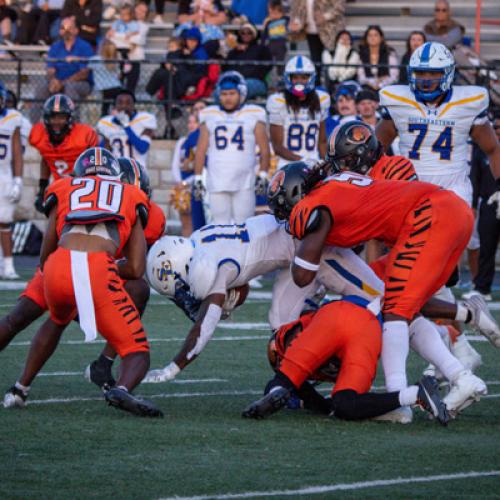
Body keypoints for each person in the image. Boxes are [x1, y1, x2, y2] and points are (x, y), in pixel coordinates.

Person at [266, 161, 490, 417]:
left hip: (427, 215)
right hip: (450, 209)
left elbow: (303, 275)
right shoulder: (338, 182)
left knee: (396, 309)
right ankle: (459, 374)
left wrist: (303, 240)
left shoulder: (310, 206)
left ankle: (401, 401)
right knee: (402, 306)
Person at [3, 147, 162, 417]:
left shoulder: (65, 186)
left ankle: (20, 389)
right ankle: (121, 388)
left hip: (55, 267)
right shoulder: (133, 196)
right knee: (138, 352)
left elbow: (45, 254)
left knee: (45, 319)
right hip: (98, 269)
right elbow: (135, 267)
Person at [376, 42, 500, 269]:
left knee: (444, 249)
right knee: (405, 253)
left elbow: (492, 148)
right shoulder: (399, 101)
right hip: (409, 185)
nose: (425, 79)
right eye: (420, 73)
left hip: (453, 186)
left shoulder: (467, 102)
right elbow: (376, 149)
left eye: (433, 73)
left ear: (448, 73)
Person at [242, 298, 449, 424]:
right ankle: (416, 393)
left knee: (285, 382)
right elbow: (323, 404)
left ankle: (413, 394)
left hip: (331, 321)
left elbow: (295, 384)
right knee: (344, 403)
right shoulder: (296, 331)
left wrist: (289, 389)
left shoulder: (287, 342)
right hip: (364, 326)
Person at [193, 71, 270, 224]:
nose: (227, 97)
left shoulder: (254, 113)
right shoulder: (210, 114)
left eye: (232, 93)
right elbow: (201, 150)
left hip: (245, 182)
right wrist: (198, 177)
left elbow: (264, 148)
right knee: (219, 226)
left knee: (244, 226)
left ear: (241, 93)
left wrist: (263, 173)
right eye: (224, 93)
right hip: (217, 180)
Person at [29, 94, 98, 212]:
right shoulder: (39, 135)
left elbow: (95, 163)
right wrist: (42, 190)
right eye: (53, 117)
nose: (57, 122)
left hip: (85, 189)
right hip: (60, 189)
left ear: (69, 118)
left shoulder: (84, 135)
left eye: (61, 117)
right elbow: (46, 159)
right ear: (46, 118)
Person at [267, 55, 330, 169]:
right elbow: (277, 147)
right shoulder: (278, 101)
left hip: (314, 165)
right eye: (295, 77)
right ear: (288, 78)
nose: (299, 82)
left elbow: (322, 142)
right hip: (287, 166)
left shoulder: (322, 100)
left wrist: (327, 164)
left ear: (311, 78)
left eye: (304, 77)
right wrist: (303, 161)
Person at [30, 17, 94, 123]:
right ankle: (34, 127)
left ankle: (73, 125)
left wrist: (63, 83)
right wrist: (53, 80)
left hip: (81, 83)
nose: (66, 30)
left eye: (70, 28)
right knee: (41, 88)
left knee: (70, 88)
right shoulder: (55, 47)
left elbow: (84, 73)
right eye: (63, 28)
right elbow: (50, 69)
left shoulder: (85, 46)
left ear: (76, 30)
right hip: (57, 81)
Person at [465, 110, 500, 301]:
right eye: (495, 127)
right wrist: (473, 204)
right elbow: (475, 177)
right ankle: (482, 287)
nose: (498, 131)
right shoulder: (482, 149)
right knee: (486, 247)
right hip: (489, 201)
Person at [289, 0, 346, 84]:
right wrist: (297, 22)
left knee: (333, 62)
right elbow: (296, 11)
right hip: (311, 32)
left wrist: (325, 16)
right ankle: (317, 88)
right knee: (316, 63)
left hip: (330, 32)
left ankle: (334, 87)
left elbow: (340, 6)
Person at [97, 89, 156, 168]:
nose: (124, 106)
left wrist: (126, 126)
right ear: (115, 106)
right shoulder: (107, 123)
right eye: (120, 103)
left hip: (138, 172)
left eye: (128, 103)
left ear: (133, 105)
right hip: (116, 173)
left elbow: (142, 148)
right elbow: (101, 152)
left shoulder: (144, 120)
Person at [0, 88, 22, 279]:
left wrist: (18, 180)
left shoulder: (13, 118)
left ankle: (8, 265)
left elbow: (16, 153)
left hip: (4, 175)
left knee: (4, 221)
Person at [225, 23, 272, 99]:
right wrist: (236, 51)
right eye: (243, 33)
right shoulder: (233, 52)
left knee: (241, 88)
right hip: (236, 81)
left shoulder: (262, 49)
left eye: (249, 33)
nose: (246, 35)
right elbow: (226, 68)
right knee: (222, 88)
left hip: (256, 81)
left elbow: (268, 66)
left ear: (254, 34)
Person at [106, 4, 140, 92]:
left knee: (125, 52)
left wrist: (130, 34)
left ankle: (126, 63)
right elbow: (111, 31)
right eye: (121, 14)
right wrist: (111, 32)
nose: (122, 17)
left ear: (131, 15)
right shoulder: (118, 22)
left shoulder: (133, 23)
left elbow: (135, 32)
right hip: (118, 44)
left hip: (126, 44)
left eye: (125, 14)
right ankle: (120, 70)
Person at [357, 25, 398, 91]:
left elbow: (393, 76)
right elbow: (361, 77)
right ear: (366, 38)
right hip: (367, 87)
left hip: (386, 87)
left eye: (375, 35)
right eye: (370, 35)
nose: (372, 38)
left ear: (381, 38)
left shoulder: (390, 53)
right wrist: (373, 83)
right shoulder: (361, 54)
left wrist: (380, 84)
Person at [88, 40, 123, 116]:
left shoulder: (95, 59)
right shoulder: (115, 60)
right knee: (115, 108)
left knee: (104, 109)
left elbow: (88, 68)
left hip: (102, 88)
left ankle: (103, 123)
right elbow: (119, 75)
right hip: (116, 87)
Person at [261, 0, 289, 78]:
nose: (272, 15)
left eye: (275, 12)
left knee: (280, 61)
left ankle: (280, 76)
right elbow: (264, 36)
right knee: (268, 62)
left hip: (281, 43)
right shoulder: (269, 23)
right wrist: (262, 46)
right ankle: (268, 78)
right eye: (270, 13)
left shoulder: (285, 19)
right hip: (271, 43)